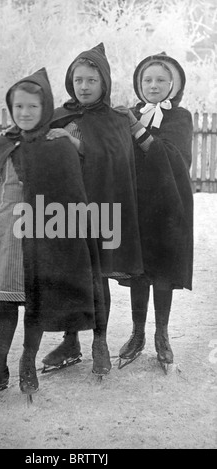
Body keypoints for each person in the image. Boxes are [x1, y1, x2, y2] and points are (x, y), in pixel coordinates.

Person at [0, 67, 108, 402]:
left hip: (42, 238)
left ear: (46, 109)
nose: (25, 113)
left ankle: (27, 360)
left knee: (36, 302)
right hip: (5, 239)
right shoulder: (3, 144)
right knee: (4, 303)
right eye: (18, 106)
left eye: (33, 107)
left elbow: (70, 198)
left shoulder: (56, 145)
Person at [42, 43, 144, 372]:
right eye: (77, 80)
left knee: (96, 277)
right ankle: (70, 342)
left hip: (100, 211)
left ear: (105, 83)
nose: (83, 87)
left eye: (90, 80)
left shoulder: (114, 119)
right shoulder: (60, 114)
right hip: (64, 210)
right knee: (68, 276)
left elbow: (116, 160)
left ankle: (99, 341)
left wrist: (74, 143)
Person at [116, 52, 194, 373]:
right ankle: (137, 333)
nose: (153, 85)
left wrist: (135, 128)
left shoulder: (180, 117)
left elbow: (171, 157)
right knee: (139, 270)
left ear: (173, 85)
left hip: (169, 204)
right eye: (147, 79)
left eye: (161, 79)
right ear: (139, 83)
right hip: (137, 204)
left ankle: (162, 334)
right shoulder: (131, 113)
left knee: (162, 270)